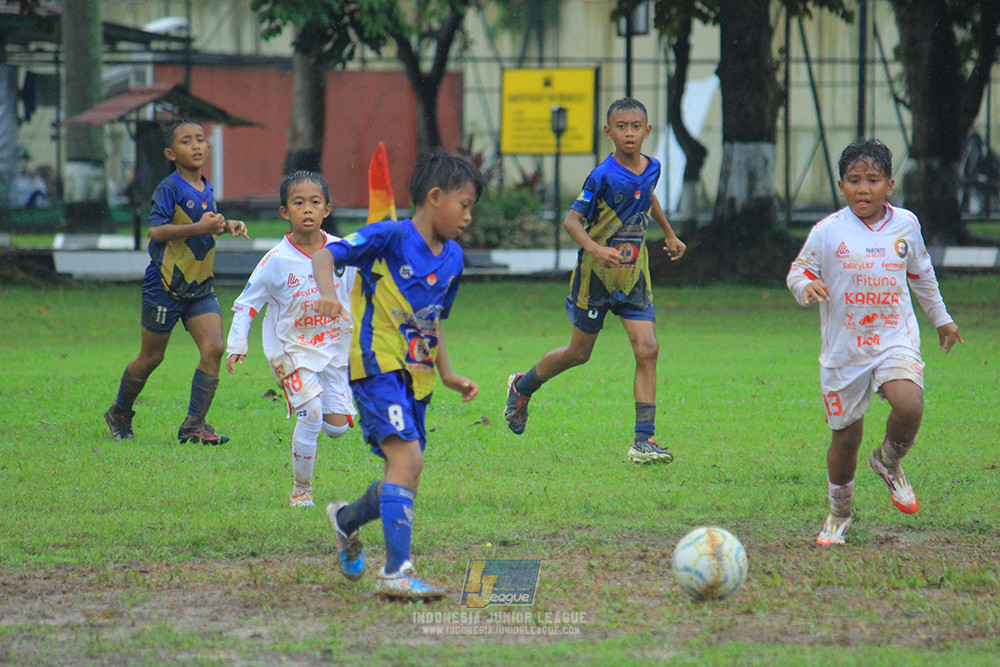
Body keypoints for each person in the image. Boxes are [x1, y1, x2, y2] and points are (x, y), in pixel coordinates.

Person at [312, 148, 484, 601]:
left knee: (402, 471)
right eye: (464, 205)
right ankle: (396, 571)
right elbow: (326, 256)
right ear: (434, 197)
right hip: (374, 364)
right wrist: (330, 296)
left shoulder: (453, 259)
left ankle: (346, 520)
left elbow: (431, 319)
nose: (468, 216)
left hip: (418, 377)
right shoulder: (390, 236)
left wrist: (447, 373)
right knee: (408, 462)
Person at [786, 138, 963, 546]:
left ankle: (888, 460)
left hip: (892, 338)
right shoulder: (828, 231)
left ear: (890, 185)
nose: (863, 189)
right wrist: (806, 286)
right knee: (846, 438)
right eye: (853, 180)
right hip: (845, 350)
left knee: (909, 403)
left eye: (873, 180)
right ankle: (839, 514)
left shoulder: (906, 224)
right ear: (841, 186)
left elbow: (921, 274)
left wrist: (942, 319)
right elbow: (798, 271)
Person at [503, 97, 686, 464]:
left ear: (647, 131)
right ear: (608, 132)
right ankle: (522, 386)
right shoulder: (602, 175)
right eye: (621, 127)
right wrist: (597, 250)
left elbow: (647, 197)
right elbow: (572, 221)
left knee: (648, 348)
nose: (629, 133)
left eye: (636, 126)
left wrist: (668, 233)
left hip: (634, 273)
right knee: (579, 353)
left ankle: (643, 441)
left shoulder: (653, 167)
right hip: (595, 276)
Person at [104, 119, 249, 445]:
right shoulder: (168, 188)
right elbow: (157, 232)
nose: (196, 146)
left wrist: (227, 224)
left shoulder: (205, 187)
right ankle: (120, 412)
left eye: (200, 139)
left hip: (199, 285)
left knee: (214, 348)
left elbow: (204, 220)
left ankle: (194, 425)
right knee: (152, 357)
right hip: (165, 285)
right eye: (186, 141)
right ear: (171, 153)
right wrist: (200, 227)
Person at [225, 171, 357, 508]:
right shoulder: (275, 261)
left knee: (337, 428)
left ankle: (330, 416)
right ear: (285, 212)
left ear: (327, 209)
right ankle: (301, 491)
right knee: (311, 413)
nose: (307, 209)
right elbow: (247, 303)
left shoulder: (343, 252)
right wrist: (238, 344)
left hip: (333, 351)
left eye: (315, 202)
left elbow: (367, 284)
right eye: (298, 203)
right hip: (291, 351)